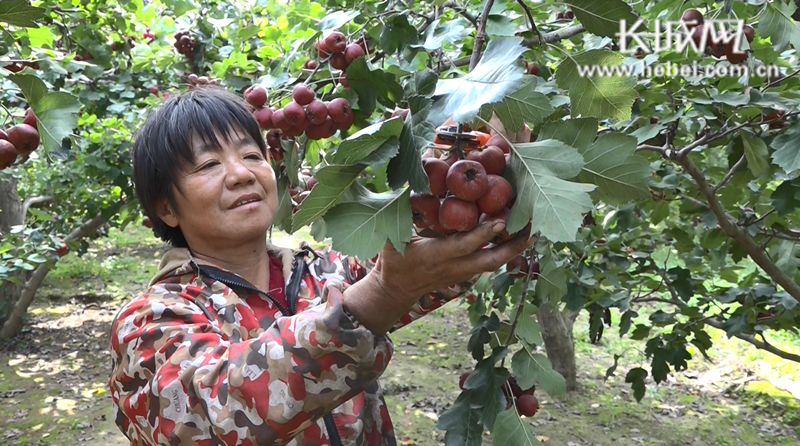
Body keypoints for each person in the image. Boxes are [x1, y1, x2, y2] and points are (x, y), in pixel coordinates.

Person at [108, 86, 531, 445]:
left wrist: (490, 144)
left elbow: (430, 251)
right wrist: (381, 296)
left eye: (252, 155)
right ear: (166, 208)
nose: (241, 174)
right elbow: (208, 416)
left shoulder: (324, 273)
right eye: (208, 165)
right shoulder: (149, 322)